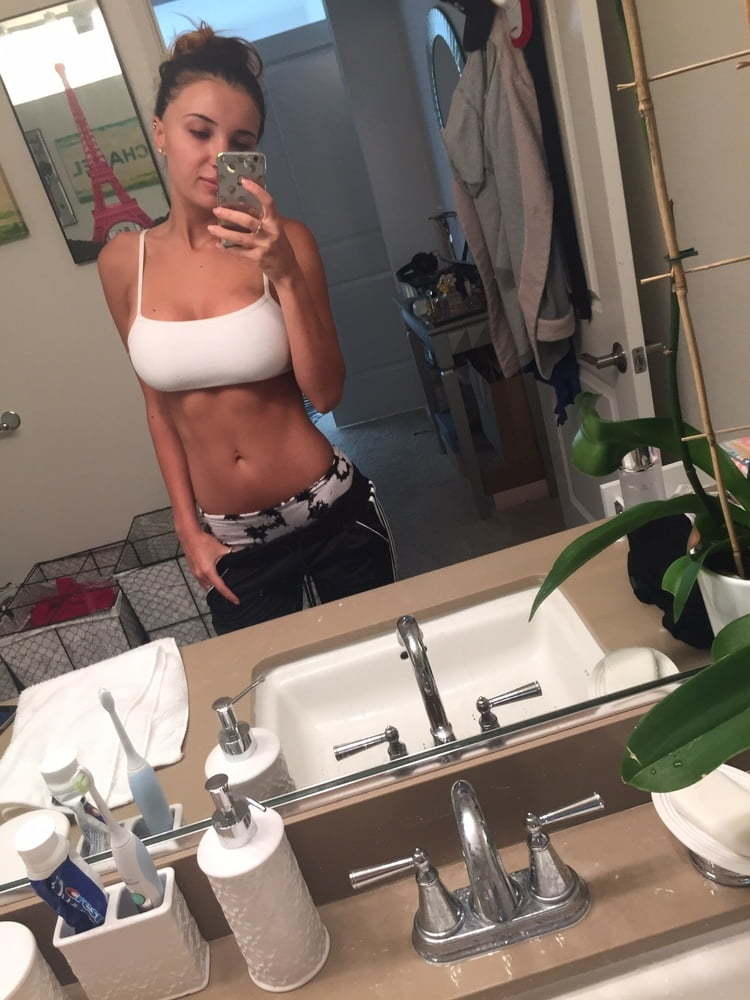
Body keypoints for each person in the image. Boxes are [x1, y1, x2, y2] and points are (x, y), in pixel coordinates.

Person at [98, 24, 396, 635]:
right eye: (199, 132)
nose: (217, 157)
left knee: (381, 666)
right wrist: (188, 529)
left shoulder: (288, 242)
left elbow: (326, 393)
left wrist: (284, 273)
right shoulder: (124, 261)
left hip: (331, 512)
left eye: (239, 142)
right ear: (160, 132)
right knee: (268, 682)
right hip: (232, 543)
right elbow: (158, 409)